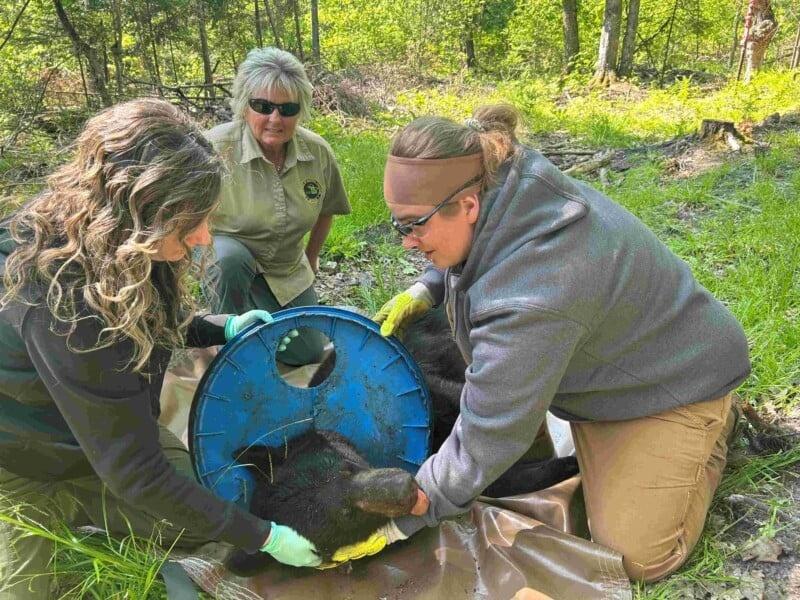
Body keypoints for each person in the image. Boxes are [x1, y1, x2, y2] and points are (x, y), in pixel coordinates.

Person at [371, 105, 751, 582]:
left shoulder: (533, 292)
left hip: (678, 383)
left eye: (413, 225)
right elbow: (476, 245)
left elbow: (492, 433)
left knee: (636, 556)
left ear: (467, 205)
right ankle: (603, 441)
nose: (406, 241)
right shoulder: (504, 185)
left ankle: (713, 427)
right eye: (398, 225)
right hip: (622, 356)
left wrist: (410, 511)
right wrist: (427, 285)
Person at [0, 99, 321, 599]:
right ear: (139, 211)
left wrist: (223, 325)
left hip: (102, 430)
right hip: (23, 458)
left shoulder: (116, 241)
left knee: (203, 513)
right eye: (190, 223)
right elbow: (137, 472)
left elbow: (146, 315)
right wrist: (266, 536)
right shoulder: (64, 303)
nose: (204, 237)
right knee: (28, 590)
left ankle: (99, 504)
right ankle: (70, 509)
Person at [204, 47, 351, 366]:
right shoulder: (214, 149)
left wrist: (311, 258)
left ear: (301, 111)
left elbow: (328, 208)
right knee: (228, 258)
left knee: (308, 354)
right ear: (244, 106)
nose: (275, 118)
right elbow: (181, 215)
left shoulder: (318, 152)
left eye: (287, 108)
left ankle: (256, 330)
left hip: (285, 267)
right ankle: (222, 348)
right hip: (229, 266)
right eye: (263, 106)